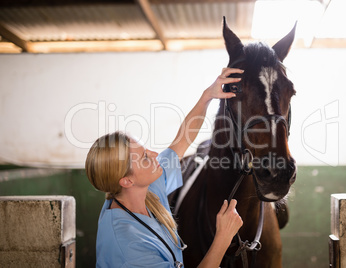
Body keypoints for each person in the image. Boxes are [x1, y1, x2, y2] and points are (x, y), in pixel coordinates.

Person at [85, 68, 244, 268]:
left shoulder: (147, 190)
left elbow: (181, 141)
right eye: (144, 158)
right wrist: (223, 237)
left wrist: (208, 96)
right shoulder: (128, 245)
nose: (154, 154)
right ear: (126, 180)